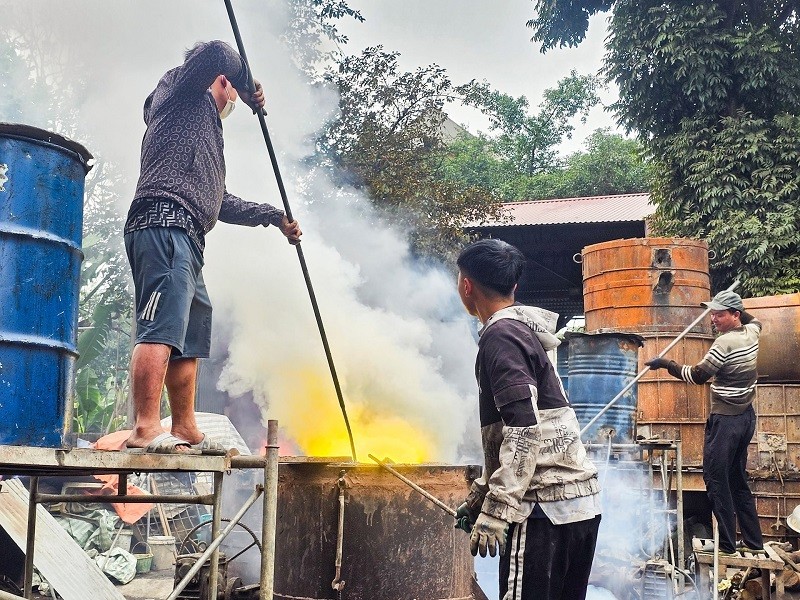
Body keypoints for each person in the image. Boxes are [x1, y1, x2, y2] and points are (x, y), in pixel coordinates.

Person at [123, 40, 301, 454]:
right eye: (233, 93)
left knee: (190, 333)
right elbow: (220, 51)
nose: (233, 102)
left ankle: (185, 427)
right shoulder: (179, 91)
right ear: (222, 82)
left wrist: (273, 216)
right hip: (163, 219)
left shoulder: (205, 135)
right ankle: (145, 428)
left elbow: (221, 202)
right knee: (161, 326)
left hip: (188, 235)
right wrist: (247, 79)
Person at [454, 239, 602, 600]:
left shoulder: (501, 336)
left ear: (466, 285)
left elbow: (524, 430)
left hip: (541, 512)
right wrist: (481, 496)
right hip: (577, 507)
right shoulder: (526, 332)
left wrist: (497, 509)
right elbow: (515, 429)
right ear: (514, 287)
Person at [645, 289, 763, 555]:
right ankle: (754, 543)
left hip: (726, 421)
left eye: (720, 315)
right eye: (713, 314)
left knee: (716, 479)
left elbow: (698, 375)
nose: (713, 320)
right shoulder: (752, 332)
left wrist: (665, 363)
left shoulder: (724, 344)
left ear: (735, 315)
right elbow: (753, 319)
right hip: (745, 418)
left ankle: (727, 546)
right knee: (737, 479)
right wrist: (734, 306)